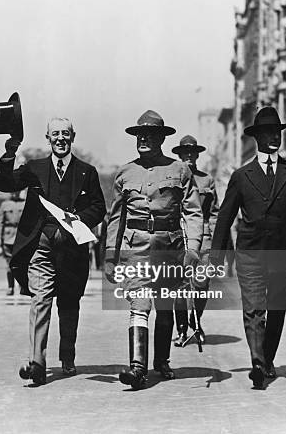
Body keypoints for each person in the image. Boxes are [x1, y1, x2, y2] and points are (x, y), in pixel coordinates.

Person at [210, 106, 286, 389]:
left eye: (277, 132)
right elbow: (225, 216)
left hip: (283, 254)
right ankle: (257, 363)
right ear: (256, 137)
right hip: (251, 253)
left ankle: (267, 359)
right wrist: (216, 257)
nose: (273, 137)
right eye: (267, 132)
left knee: (276, 309)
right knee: (254, 309)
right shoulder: (242, 176)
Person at [0, 117, 106, 385]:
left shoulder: (86, 171)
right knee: (41, 300)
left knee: (69, 305)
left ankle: (67, 356)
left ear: (72, 137)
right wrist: (9, 154)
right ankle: (37, 363)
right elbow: (5, 184)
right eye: (55, 134)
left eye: (65, 134)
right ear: (47, 138)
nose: (60, 138)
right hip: (40, 247)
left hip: (72, 250)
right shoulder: (34, 168)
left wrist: (78, 219)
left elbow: (99, 208)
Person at [104, 110, 203, 389]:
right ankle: (137, 367)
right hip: (136, 246)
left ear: (161, 138)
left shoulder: (179, 170)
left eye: (150, 135)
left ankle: (161, 360)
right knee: (140, 302)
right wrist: (111, 256)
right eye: (140, 135)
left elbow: (193, 212)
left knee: (164, 306)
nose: (144, 139)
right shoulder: (125, 173)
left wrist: (193, 249)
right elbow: (115, 218)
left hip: (169, 246)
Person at [172, 135, 221, 346]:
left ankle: (197, 323)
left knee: (202, 284)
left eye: (193, 153)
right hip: (180, 239)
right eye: (185, 153)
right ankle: (182, 329)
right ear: (179, 155)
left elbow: (215, 212)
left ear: (198, 155)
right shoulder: (172, 179)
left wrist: (216, 238)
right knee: (180, 286)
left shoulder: (206, 180)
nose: (189, 156)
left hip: (204, 239)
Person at [0, 191, 25, 295]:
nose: (16, 194)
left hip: (21, 237)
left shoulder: (25, 203)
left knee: (22, 263)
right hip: (7, 237)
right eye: (14, 191)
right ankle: (10, 287)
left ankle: (22, 286)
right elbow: (0, 222)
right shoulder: (5, 205)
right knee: (9, 264)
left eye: (18, 192)